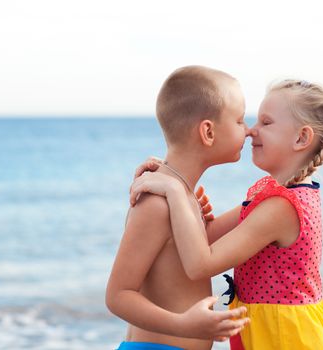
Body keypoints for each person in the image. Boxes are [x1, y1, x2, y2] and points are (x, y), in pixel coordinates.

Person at [130, 79, 323, 349]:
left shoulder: (281, 208)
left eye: (266, 123)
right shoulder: (270, 195)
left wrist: (174, 192)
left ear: (301, 138)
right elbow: (207, 238)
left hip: (285, 338)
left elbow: (200, 264)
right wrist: (178, 184)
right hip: (270, 331)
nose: (251, 131)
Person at [105, 65, 250, 350]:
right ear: (207, 132)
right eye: (240, 121)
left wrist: (274, 196)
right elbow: (118, 295)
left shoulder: (179, 194)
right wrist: (183, 324)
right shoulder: (157, 203)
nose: (247, 131)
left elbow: (188, 252)